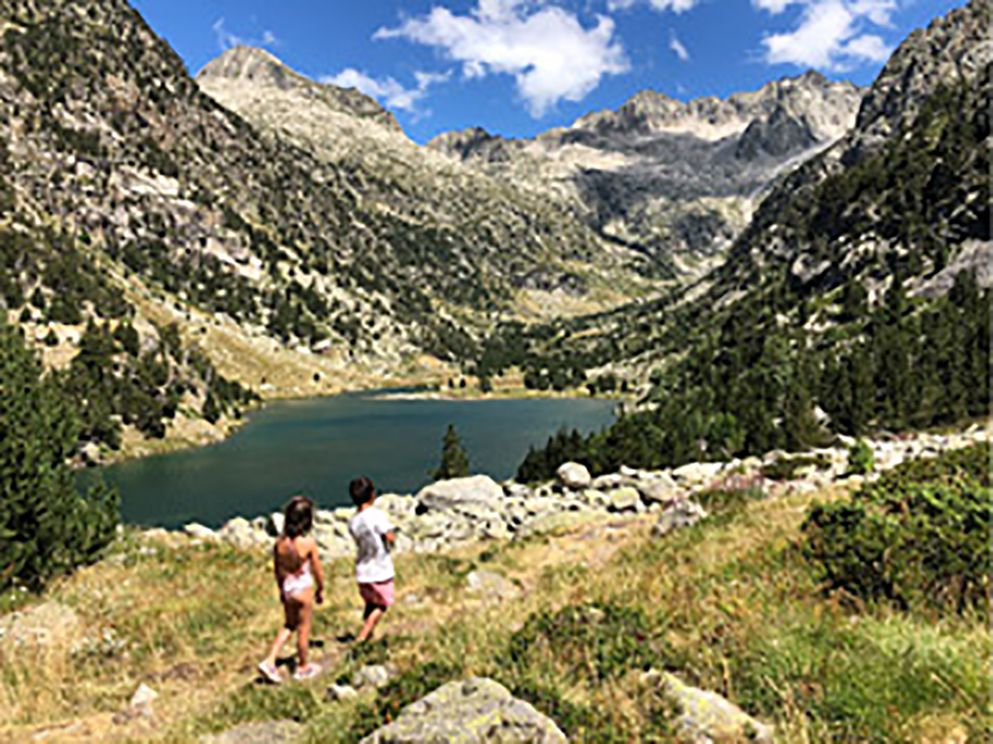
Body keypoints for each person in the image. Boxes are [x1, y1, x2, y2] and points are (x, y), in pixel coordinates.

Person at [258, 496, 325, 683]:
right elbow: (317, 570)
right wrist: (321, 589)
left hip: (288, 588)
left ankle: (270, 660)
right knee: (304, 629)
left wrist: (281, 590)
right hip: (303, 589)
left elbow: (278, 570)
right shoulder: (308, 543)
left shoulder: (279, 544)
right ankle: (303, 667)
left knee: (289, 625)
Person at [347, 476, 396, 643]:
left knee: (370, 603)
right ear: (372, 495)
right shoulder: (375, 515)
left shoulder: (353, 521)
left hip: (362, 571)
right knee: (382, 605)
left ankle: (368, 634)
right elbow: (389, 535)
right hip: (380, 570)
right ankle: (361, 639)